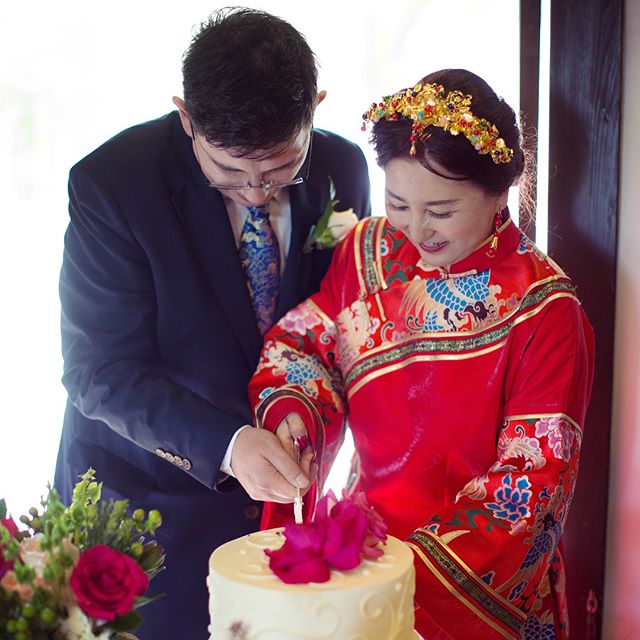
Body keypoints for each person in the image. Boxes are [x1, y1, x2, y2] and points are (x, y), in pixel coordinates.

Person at [53, 7, 370, 638]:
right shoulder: (113, 184)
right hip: (144, 500)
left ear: (317, 108)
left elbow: (336, 317)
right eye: (229, 171)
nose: (256, 191)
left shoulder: (343, 168)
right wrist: (226, 443)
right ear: (185, 115)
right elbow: (99, 370)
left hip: (283, 501)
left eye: (279, 168)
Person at [246, 69, 594, 639]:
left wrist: (402, 574)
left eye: (442, 210)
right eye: (399, 203)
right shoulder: (367, 253)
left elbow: (532, 483)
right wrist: (293, 419)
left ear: (500, 191)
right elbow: (306, 346)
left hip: (465, 582)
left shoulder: (544, 310)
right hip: (359, 555)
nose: (416, 230)